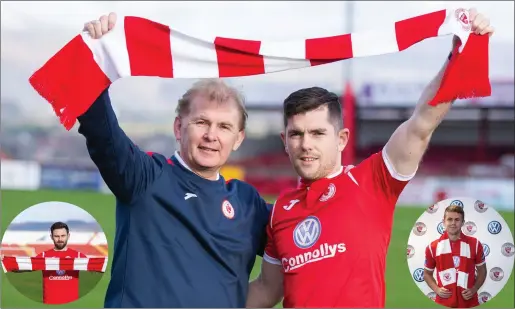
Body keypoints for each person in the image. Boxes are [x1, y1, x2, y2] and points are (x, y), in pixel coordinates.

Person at [245, 8, 494, 308]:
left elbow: (421, 123)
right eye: (296, 134)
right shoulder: (280, 211)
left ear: (341, 139)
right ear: (285, 142)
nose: (305, 144)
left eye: (317, 133)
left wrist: (459, 53)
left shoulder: (373, 180)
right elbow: (267, 290)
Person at [79, 13, 271, 308]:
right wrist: (91, 56)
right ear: (179, 127)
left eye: (224, 127)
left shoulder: (248, 203)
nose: (211, 135)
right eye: (201, 122)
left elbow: (306, 235)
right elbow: (101, 131)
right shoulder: (145, 178)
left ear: (239, 138)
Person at [3, 222, 88, 305]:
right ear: (51, 237)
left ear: (68, 236)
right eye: (56, 236)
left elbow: (95, 266)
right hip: (49, 303)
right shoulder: (44, 256)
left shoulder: (78, 256)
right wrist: (5, 262)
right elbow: (24, 267)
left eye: (63, 236)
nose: (60, 239)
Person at [423, 205, 487, 308]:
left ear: (462, 222)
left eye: (457, 220)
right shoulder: (432, 247)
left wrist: (474, 289)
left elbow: (482, 270)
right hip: (444, 302)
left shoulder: (474, 244)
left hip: (469, 302)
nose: (453, 223)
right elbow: (427, 274)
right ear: (444, 221)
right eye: (450, 219)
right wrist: (437, 289)